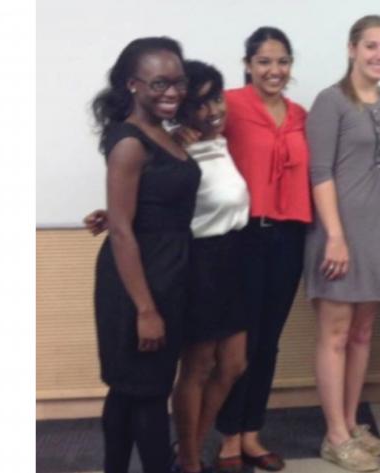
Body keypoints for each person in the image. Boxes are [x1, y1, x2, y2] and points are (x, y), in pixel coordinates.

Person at [85, 60, 252, 473]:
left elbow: (163, 199)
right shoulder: (171, 143)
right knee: (169, 378)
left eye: (216, 97)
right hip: (191, 264)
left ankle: (186, 448)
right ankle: (189, 460)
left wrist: (116, 213)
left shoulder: (203, 142)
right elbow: (153, 202)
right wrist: (116, 217)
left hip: (230, 260)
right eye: (200, 102)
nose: (212, 109)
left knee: (232, 364)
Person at [91, 37, 199, 473]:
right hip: (138, 283)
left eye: (178, 83)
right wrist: (145, 309)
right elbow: (121, 230)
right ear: (133, 85)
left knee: (130, 390)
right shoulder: (130, 142)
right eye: (159, 84)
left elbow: (142, 207)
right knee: (148, 394)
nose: (171, 92)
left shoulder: (164, 135)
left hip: (167, 271)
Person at [304, 15, 380, 473]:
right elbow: (319, 172)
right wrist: (336, 237)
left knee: (363, 334)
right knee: (336, 335)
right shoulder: (330, 102)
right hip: (337, 235)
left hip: (378, 233)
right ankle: (334, 435)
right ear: (351, 49)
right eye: (371, 47)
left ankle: (349, 420)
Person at [214, 26, 313, 473]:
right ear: (248, 65)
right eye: (265, 62)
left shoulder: (301, 115)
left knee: (269, 342)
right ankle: (227, 436)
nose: (275, 70)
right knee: (240, 342)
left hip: (289, 237)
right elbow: (185, 148)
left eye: (282, 61)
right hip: (243, 237)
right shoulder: (228, 105)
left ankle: (252, 433)